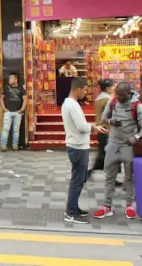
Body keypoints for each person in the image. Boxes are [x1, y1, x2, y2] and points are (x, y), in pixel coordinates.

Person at [95, 82, 142, 220]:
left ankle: (129, 205)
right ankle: (107, 206)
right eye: (117, 94)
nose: (118, 97)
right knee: (109, 177)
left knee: (129, 177)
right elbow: (103, 117)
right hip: (113, 144)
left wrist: (136, 137)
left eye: (121, 95)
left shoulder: (137, 106)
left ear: (128, 93)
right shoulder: (113, 102)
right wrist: (111, 122)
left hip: (128, 145)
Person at [62, 77, 107, 224]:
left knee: (79, 179)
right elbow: (81, 126)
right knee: (77, 180)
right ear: (78, 89)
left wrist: (93, 127)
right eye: (85, 90)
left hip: (76, 145)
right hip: (78, 146)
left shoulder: (68, 103)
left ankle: (74, 207)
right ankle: (70, 212)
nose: (85, 93)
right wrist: (94, 127)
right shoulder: (73, 105)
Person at [88, 79, 115, 180]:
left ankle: (93, 172)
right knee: (106, 154)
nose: (113, 89)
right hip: (106, 129)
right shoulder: (108, 100)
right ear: (107, 88)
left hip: (100, 128)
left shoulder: (99, 98)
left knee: (103, 153)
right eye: (112, 87)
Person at [0, 72, 27, 152]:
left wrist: (22, 109)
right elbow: (1, 98)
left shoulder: (21, 88)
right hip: (8, 111)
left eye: (11, 78)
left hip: (17, 112)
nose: (9, 79)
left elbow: (25, 99)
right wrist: (4, 108)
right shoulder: (6, 87)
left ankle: (15, 145)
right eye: (9, 78)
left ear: (16, 79)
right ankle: (3, 145)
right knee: (6, 129)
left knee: (16, 130)